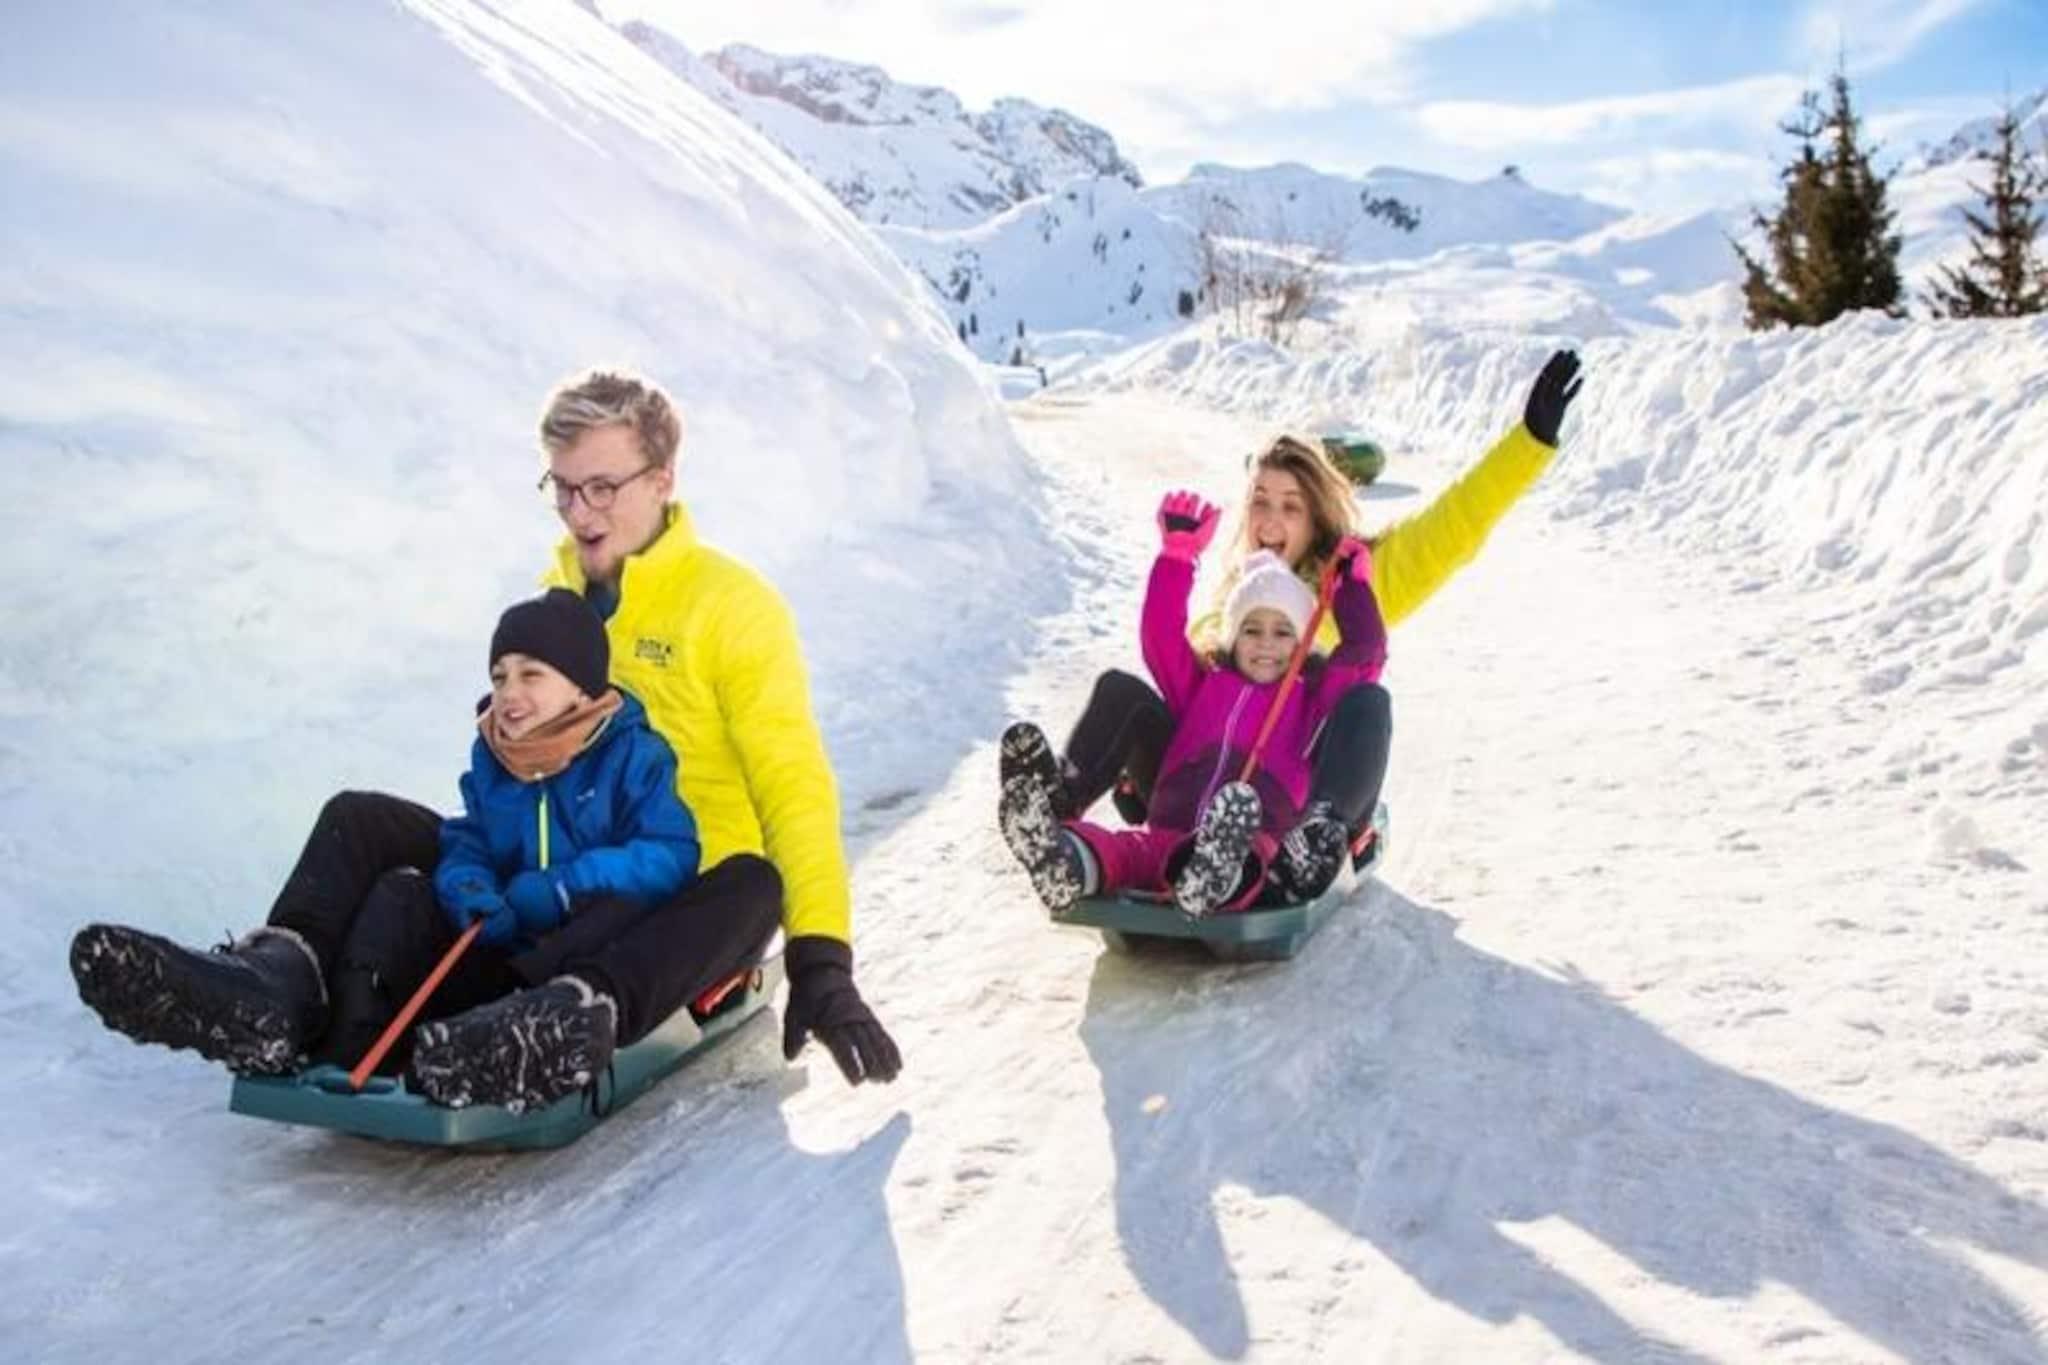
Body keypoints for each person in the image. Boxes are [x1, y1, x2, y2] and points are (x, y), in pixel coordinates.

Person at [71, 368, 900, 1108]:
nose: (579, 512)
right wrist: (478, 872)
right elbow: (508, 780)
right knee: (360, 820)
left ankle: (563, 1021)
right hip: (542, 876)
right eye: (563, 488)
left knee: (752, 883)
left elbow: (793, 785)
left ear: (663, 478)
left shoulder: (732, 608)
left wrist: (822, 960)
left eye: (602, 487)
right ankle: (274, 990)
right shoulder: (553, 599)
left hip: (666, 894)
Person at [68, 588, 700, 1098]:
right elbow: (470, 835)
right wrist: (468, 882)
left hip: (570, 944)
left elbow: (670, 854)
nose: (508, 693)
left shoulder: (631, 756)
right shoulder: (495, 754)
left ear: (582, 689)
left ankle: (523, 1031)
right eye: (499, 675)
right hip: (496, 934)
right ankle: (276, 989)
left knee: (430, 898)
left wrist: (564, 886)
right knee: (366, 833)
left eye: (531, 675)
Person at [1043, 350, 1585, 876]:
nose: (1270, 520)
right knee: (1124, 694)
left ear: (1316, 516)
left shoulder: (1351, 578)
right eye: (1260, 501)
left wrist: (1528, 442)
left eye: (1290, 506)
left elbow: (1456, 523)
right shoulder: (1236, 592)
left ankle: (1315, 840)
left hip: (1282, 797)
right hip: (1196, 787)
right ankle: (1050, 814)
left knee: (1364, 704)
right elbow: (1182, 675)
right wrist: (1138, 761)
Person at [998, 489, 1387, 918]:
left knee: (1249, 855)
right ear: (1232, 637)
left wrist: (1352, 590)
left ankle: (1215, 878)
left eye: (1282, 633)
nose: (1266, 645)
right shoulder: (1205, 685)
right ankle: (1061, 850)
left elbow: (1363, 654)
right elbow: (1161, 637)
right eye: (1251, 630)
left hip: (1253, 836)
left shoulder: (1310, 703)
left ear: (1300, 645)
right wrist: (1177, 557)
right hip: (1170, 830)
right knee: (1121, 847)